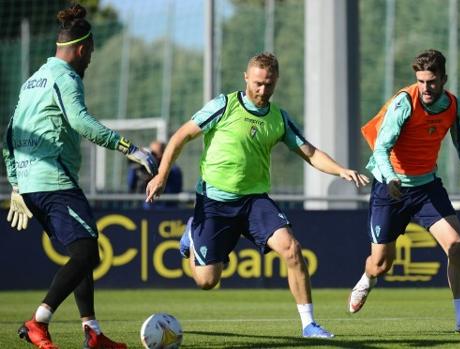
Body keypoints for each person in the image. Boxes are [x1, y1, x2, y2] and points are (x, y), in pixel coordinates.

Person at [146, 52, 370, 338]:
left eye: (269, 84)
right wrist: (162, 175)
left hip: (254, 202)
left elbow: (310, 153)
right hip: (214, 203)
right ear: (246, 78)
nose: (263, 90)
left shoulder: (278, 118)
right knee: (206, 281)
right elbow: (181, 137)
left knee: (292, 249)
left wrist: (340, 170)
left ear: (276, 82)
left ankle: (309, 325)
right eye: (258, 83)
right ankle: (192, 233)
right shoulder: (223, 105)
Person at [2, 4, 158, 349]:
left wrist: (15, 182)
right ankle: (37, 322)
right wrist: (129, 147)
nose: (89, 63)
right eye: (90, 55)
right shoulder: (65, 77)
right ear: (83, 49)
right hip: (53, 180)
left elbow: (9, 135)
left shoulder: (32, 81)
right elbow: (81, 121)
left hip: (32, 184)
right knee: (89, 251)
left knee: (82, 251)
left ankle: (93, 332)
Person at [350, 49, 460, 335]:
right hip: (390, 187)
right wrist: (390, 180)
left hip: (426, 187)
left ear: (443, 79)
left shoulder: (452, 105)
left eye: (432, 82)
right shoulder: (404, 103)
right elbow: (381, 148)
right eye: (421, 81)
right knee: (381, 264)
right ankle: (367, 279)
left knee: (457, 245)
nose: (425, 88)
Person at [128, 140, 182, 208]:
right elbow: (131, 186)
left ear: (163, 155)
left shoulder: (173, 170)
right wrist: (137, 168)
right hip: (143, 209)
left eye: (154, 154)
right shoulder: (140, 169)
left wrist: (157, 175)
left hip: (165, 210)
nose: (151, 157)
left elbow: (172, 192)